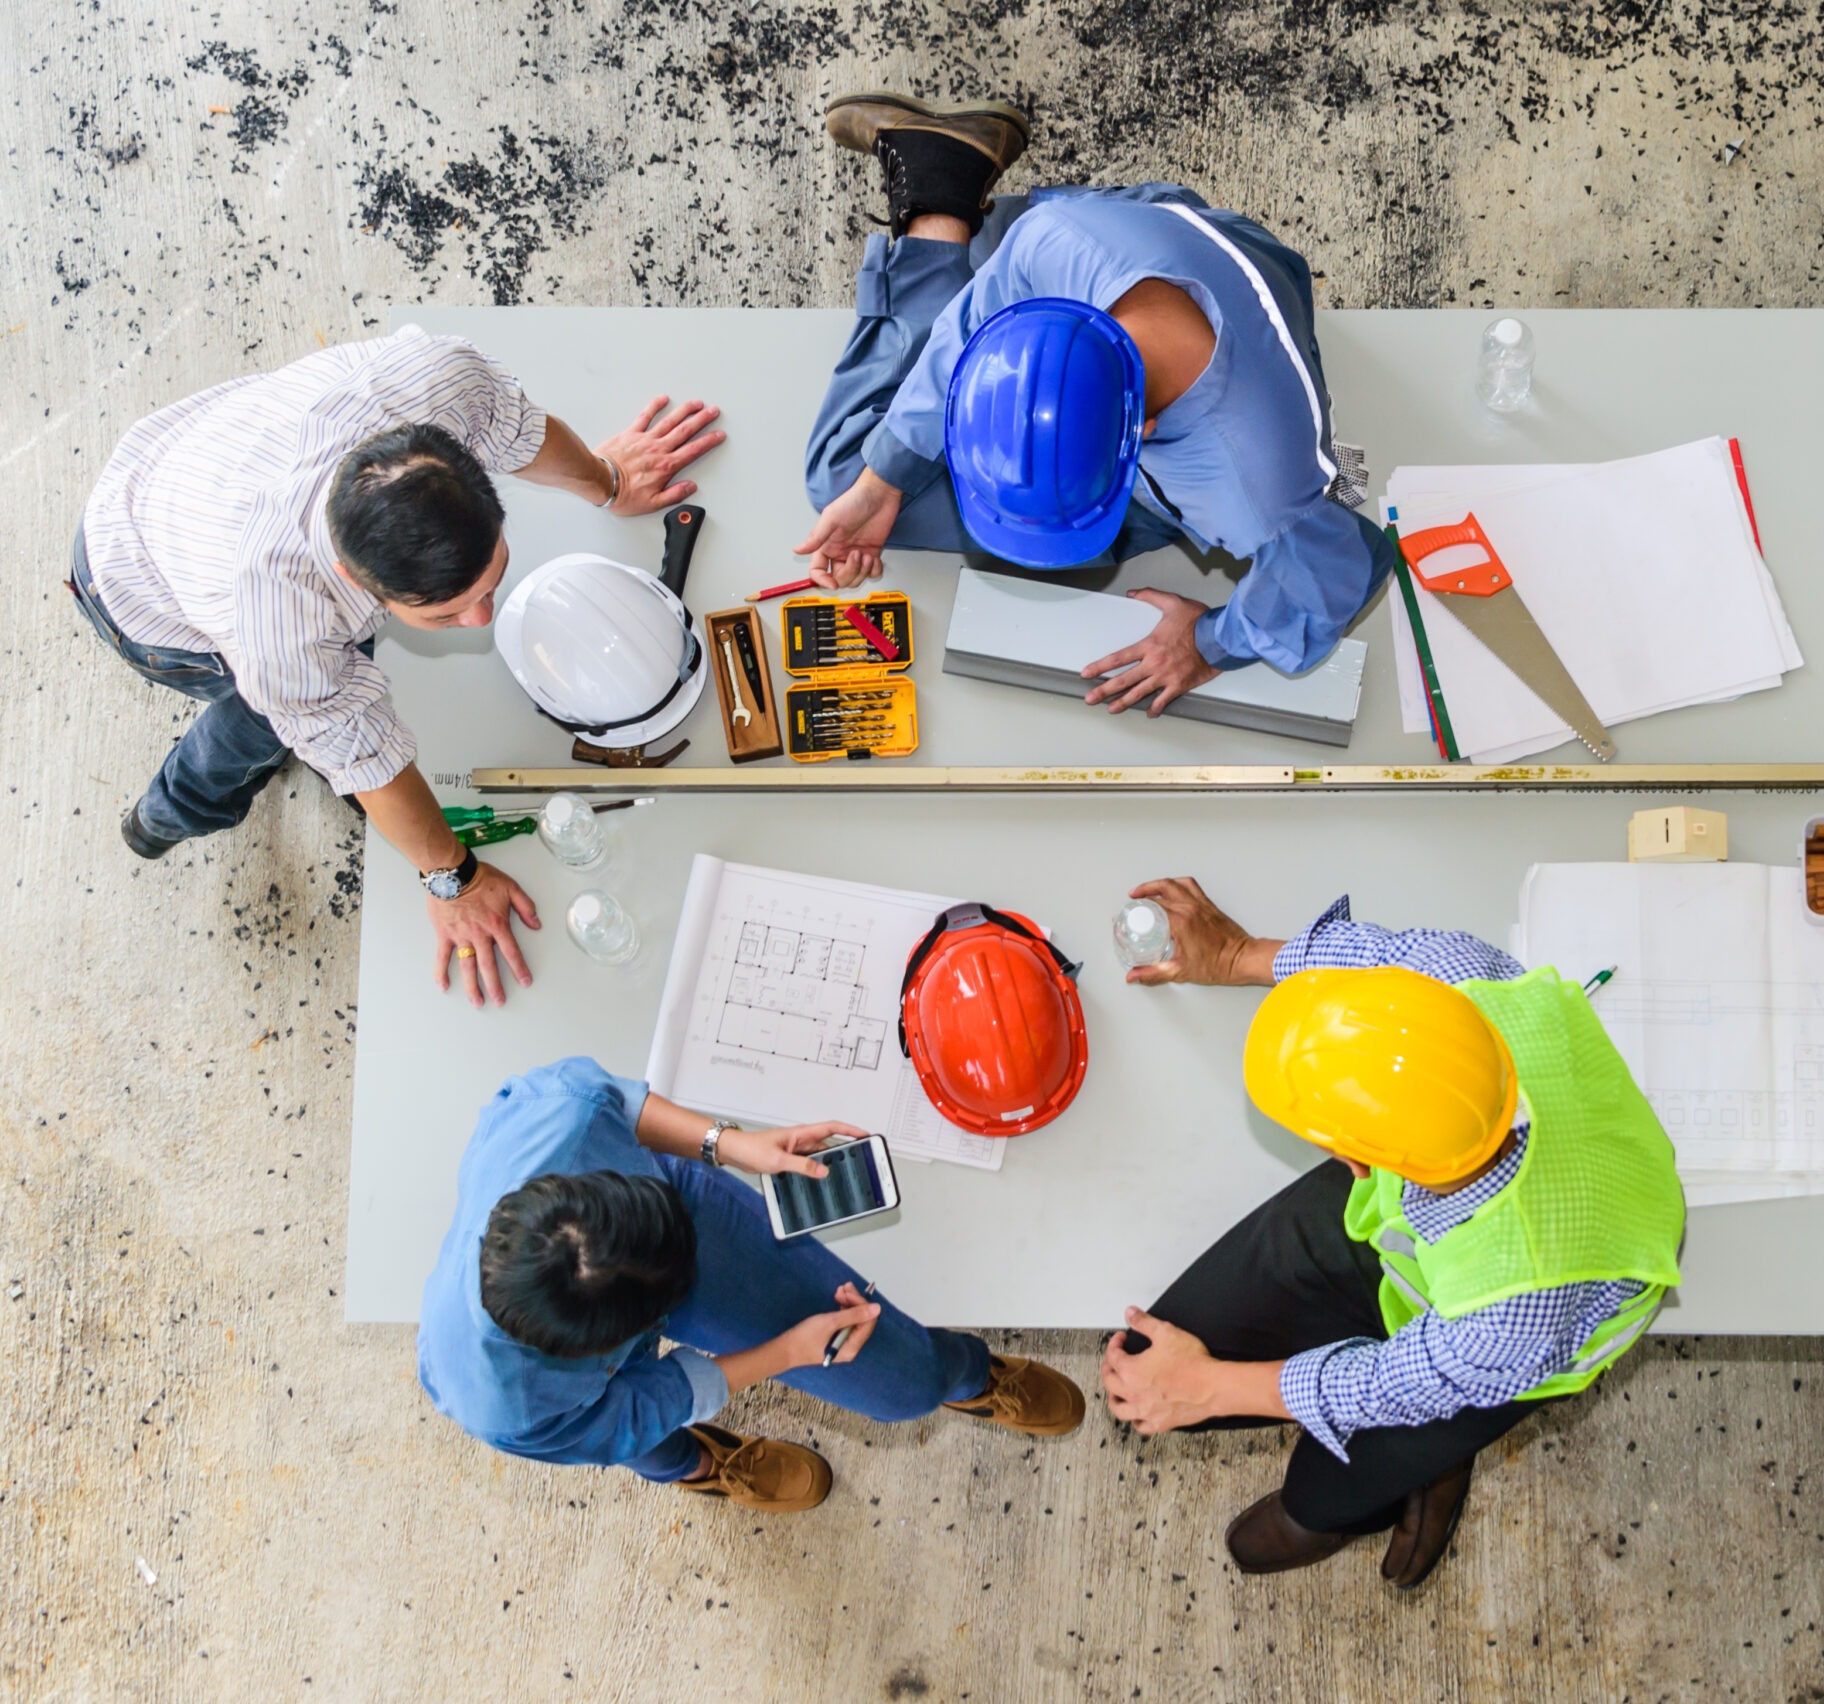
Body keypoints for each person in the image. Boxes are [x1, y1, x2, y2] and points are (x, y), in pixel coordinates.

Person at [70, 328, 726, 1006]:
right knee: (263, 719)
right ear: (352, 580)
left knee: (303, 705)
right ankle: (173, 812)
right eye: (444, 616)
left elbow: (524, 434)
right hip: (138, 579)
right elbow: (365, 757)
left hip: (201, 462)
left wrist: (609, 481)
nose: (481, 621)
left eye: (491, 583)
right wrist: (455, 880)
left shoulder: (440, 382)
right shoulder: (284, 625)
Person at [1099, 879, 1686, 1589]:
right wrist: (1236, 954)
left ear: (1354, 1160)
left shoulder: (1512, 1308)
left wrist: (1206, 1388)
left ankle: (1388, 1482)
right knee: (1152, 1352)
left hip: (1508, 1322)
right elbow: (1371, 958)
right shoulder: (1468, 981)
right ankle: (1412, 1446)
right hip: (1428, 1233)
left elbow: (1382, 1388)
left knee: (1332, 1485)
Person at [796, 93, 1393, 717]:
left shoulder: (1259, 491)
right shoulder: (1049, 243)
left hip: (1232, 322)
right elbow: (968, 329)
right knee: (858, 474)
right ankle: (945, 177)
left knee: (837, 470)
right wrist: (884, 479)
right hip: (1134, 226)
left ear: (1143, 437)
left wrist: (1211, 643)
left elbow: (1347, 565)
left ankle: (944, 191)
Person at [418, 1058, 1085, 1510]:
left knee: (902, 1386)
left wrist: (727, 1145)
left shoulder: (557, 1118)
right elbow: (637, 1405)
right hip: (580, 1404)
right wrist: (786, 1352)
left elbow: (616, 1105)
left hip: (654, 1225)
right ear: (609, 1343)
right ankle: (701, 1467)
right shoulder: (511, 1406)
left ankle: (959, 1374)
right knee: (642, 1439)